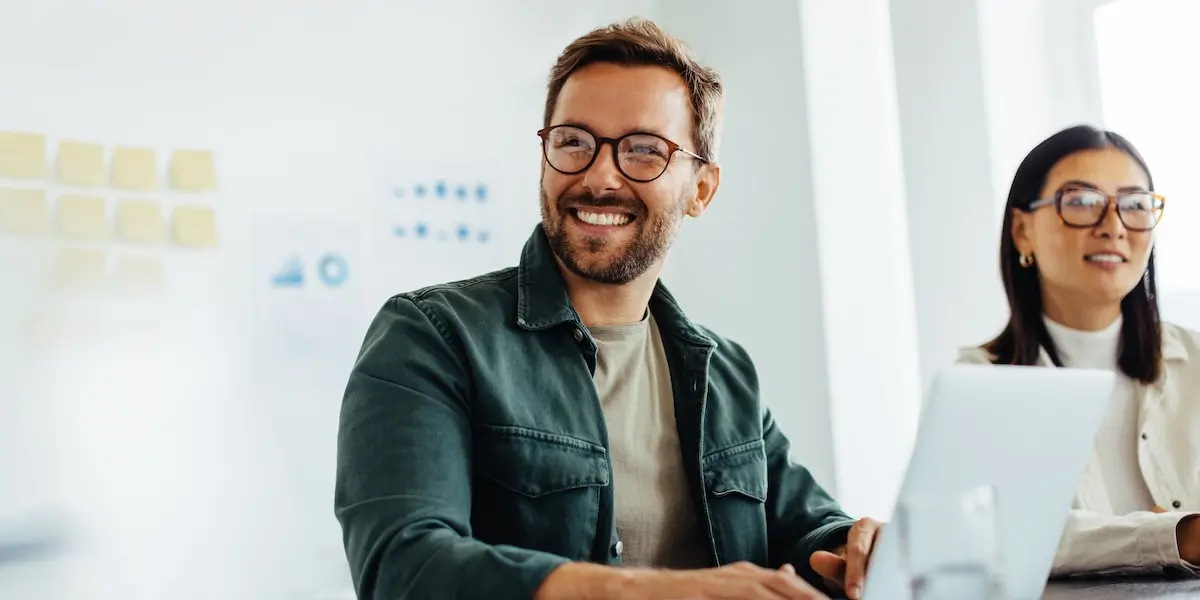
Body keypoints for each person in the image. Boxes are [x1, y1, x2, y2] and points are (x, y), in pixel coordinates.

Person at [334, 17, 881, 600]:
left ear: (701, 189)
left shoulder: (726, 373)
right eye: (574, 142)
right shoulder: (432, 337)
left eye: (644, 151)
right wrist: (649, 591)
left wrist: (855, 548)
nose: (599, 176)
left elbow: (806, 529)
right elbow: (404, 566)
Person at [958, 124, 1200, 576]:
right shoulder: (979, 384)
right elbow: (1004, 536)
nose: (1113, 226)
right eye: (1082, 202)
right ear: (1022, 230)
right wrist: (1177, 535)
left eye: (1134, 205)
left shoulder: (1197, 361)